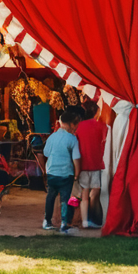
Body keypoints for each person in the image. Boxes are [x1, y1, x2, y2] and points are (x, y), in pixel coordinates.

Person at [42, 106, 82, 235]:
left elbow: (46, 152)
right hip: (66, 172)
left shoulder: (52, 137)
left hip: (52, 171)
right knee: (65, 198)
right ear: (71, 124)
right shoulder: (72, 139)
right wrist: (77, 173)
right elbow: (76, 158)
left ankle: (47, 221)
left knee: (50, 196)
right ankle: (64, 223)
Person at [74, 101, 108, 229]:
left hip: (82, 164)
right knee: (95, 193)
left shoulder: (79, 126)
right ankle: (96, 219)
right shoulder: (101, 126)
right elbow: (105, 142)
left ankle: (85, 221)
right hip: (96, 163)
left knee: (84, 195)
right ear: (96, 112)